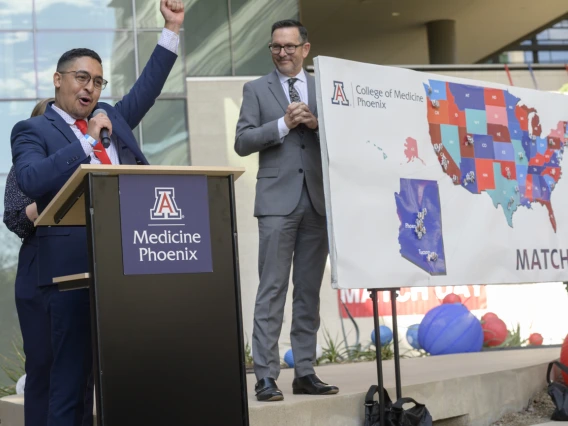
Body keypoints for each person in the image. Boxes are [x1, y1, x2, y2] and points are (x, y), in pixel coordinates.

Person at [11, 1, 184, 424]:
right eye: (81, 78)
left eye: (98, 81)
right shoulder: (33, 130)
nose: (91, 88)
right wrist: (87, 144)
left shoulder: (113, 120)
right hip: (61, 278)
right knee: (61, 388)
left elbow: (148, 87)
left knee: (95, 385)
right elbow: (31, 179)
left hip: (117, 272)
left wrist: (172, 28)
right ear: (58, 80)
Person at [235, 19, 338, 402]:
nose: (282, 53)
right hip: (277, 202)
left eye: (290, 47)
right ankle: (265, 375)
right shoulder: (255, 89)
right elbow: (242, 141)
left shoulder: (324, 87)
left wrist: (315, 124)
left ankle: (305, 372)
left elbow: (344, 136)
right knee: (272, 289)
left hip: (318, 200)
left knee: (308, 291)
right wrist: (281, 124)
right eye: (276, 47)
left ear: (305, 49)